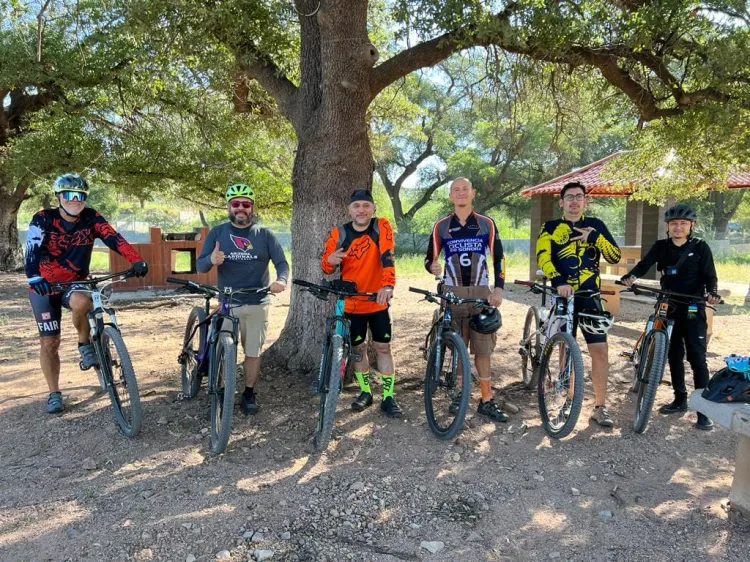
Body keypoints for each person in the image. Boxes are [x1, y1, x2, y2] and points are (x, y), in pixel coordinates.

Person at [25, 174, 148, 414]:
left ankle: (84, 344)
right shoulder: (43, 218)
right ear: (59, 197)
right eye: (69, 195)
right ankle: (54, 393)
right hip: (43, 286)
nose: (75, 200)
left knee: (83, 301)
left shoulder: (91, 217)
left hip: (75, 282)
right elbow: (31, 247)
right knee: (50, 342)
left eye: (80, 196)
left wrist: (136, 260)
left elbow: (114, 238)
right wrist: (33, 275)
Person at [621, 203, 720, 430]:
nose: (678, 227)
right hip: (668, 304)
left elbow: (709, 276)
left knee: (696, 357)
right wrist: (631, 276)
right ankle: (680, 399)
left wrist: (712, 293)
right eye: (674, 224)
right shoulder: (661, 246)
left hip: (693, 306)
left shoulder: (701, 247)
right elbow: (645, 264)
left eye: (683, 223)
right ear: (668, 226)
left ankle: (704, 411)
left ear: (691, 225)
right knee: (673, 354)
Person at [197, 183, 288, 415]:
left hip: (257, 301)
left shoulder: (264, 234)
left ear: (252, 207)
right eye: (235, 204)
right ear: (229, 206)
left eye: (245, 204)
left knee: (252, 352)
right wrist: (211, 260)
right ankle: (220, 393)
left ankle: (248, 392)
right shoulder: (218, 233)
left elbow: (282, 263)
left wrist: (282, 281)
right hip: (228, 302)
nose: (241, 208)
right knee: (222, 349)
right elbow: (200, 265)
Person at [536, 181, 621, 427]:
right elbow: (543, 257)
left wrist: (594, 238)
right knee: (566, 349)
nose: (574, 201)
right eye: (569, 197)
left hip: (590, 296)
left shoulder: (595, 225)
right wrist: (559, 280)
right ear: (561, 202)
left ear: (585, 201)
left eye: (579, 197)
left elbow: (614, 256)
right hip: (563, 295)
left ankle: (600, 406)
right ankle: (569, 401)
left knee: (600, 350)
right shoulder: (550, 227)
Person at [424, 177, 508, 422]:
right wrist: (433, 267)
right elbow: (429, 258)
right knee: (458, 348)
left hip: (482, 292)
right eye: (455, 190)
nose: (460, 193)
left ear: (473, 193)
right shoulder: (441, 226)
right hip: (453, 293)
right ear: (450, 196)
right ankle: (460, 395)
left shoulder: (486, 224)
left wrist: (499, 290)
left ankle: (486, 399)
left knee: (483, 351)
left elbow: (499, 259)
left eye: (465, 189)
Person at [320, 189, 401, 417]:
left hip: (377, 301)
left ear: (373, 208)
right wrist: (329, 260)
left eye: (366, 205)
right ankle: (365, 392)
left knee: (383, 347)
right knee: (358, 349)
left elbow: (387, 255)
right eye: (357, 206)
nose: (361, 210)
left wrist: (387, 285)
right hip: (352, 304)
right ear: (350, 210)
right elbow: (326, 267)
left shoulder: (380, 226)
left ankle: (388, 396)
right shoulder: (339, 233)